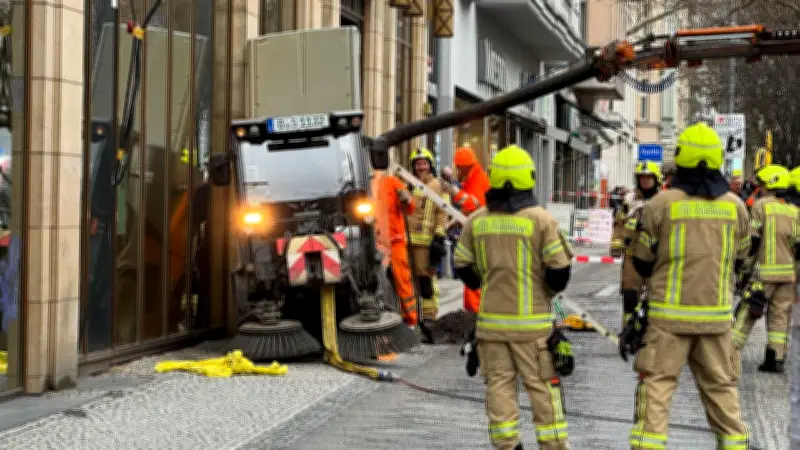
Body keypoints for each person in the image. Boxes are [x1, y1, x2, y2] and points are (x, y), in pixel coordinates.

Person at [624, 122, 750, 449]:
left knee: (656, 389)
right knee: (722, 391)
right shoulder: (735, 207)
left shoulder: (661, 205)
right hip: (717, 320)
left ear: (681, 159)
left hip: (667, 321)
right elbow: (742, 258)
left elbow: (642, 261)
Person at [454, 145, 573, 450]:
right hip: (532, 330)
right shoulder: (541, 220)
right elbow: (559, 274)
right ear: (528, 178)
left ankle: (508, 445)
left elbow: (464, 268)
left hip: (491, 328)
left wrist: (488, 281)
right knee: (543, 391)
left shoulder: (477, 220)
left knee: (499, 388)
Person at [732, 164, 798, 373]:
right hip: (787, 274)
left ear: (770, 184)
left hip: (764, 273)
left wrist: (743, 270)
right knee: (780, 315)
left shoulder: (761, 206)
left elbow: (753, 241)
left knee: (748, 311)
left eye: (761, 184)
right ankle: (775, 359)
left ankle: (728, 352)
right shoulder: (795, 210)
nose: (759, 188)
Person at [609, 161, 662, 326]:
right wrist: (616, 245)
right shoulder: (629, 200)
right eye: (642, 177)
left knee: (657, 298)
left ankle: (653, 333)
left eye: (648, 178)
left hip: (656, 259)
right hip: (632, 256)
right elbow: (619, 222)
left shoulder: (663, 201)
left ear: (656, 179)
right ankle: (629, 330)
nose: (645, 181)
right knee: (630, 296)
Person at [406, 148, 450, 343]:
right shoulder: (409, 185)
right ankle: (414, 320)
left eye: (424, 163)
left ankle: (431, 321)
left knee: (426, 283)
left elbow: (443, 212)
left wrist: (439, 237)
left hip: (426, 244)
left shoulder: (437, 186)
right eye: (417, 163)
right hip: (408, 244)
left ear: (430, 164)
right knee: (410, 283)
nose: (421, 166)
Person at [441, 147, 490, 313]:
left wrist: (455, 192)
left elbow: (471, 204)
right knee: (471, 276)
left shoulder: (477, 178)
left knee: (473, 275)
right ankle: (471, 310)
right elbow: (467, 211)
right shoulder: (472, 178)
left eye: (458, 166)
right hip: (475, 232)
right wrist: (452, 223)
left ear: (463, 165)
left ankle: (475, 313)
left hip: (479, 234)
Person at [374, 172, 419, 326]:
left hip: (395, 241)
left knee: (402, 280)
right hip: (375, 241)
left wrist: (406, 199)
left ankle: (410, 319)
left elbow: (410, 207)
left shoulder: (392, 182)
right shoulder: (363, 184)